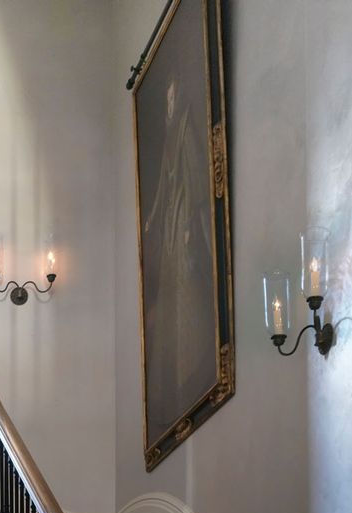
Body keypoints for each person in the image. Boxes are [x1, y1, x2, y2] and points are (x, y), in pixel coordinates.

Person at [143, 75, 214, 432]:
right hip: (170, 219)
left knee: (186, 294)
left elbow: (197, 173)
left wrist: (190, 220)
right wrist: (154, 216)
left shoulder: (185, 127)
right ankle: (178, 367)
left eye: (173, 97)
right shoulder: (172, 132)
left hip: (183, 215)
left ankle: (194, 358)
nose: (170, 105)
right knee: (172, 300)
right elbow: (160, 186)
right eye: (166, 100)